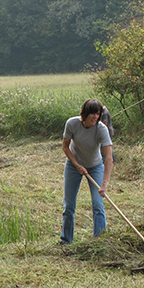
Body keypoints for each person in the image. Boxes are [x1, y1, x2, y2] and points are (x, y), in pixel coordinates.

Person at [60, 98, 114, 245]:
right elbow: (65, 147)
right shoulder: (72, 123)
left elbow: (108, 158)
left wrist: (104, 184)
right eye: (92, 114)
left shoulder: (101, 129)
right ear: (85, 114)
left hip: (95, 166)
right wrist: (77, 165)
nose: (95, 117)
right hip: (73, 165)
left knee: (98, 205)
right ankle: (66, 240)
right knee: (69, 205)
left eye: (97, 114)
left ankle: (99, 241)